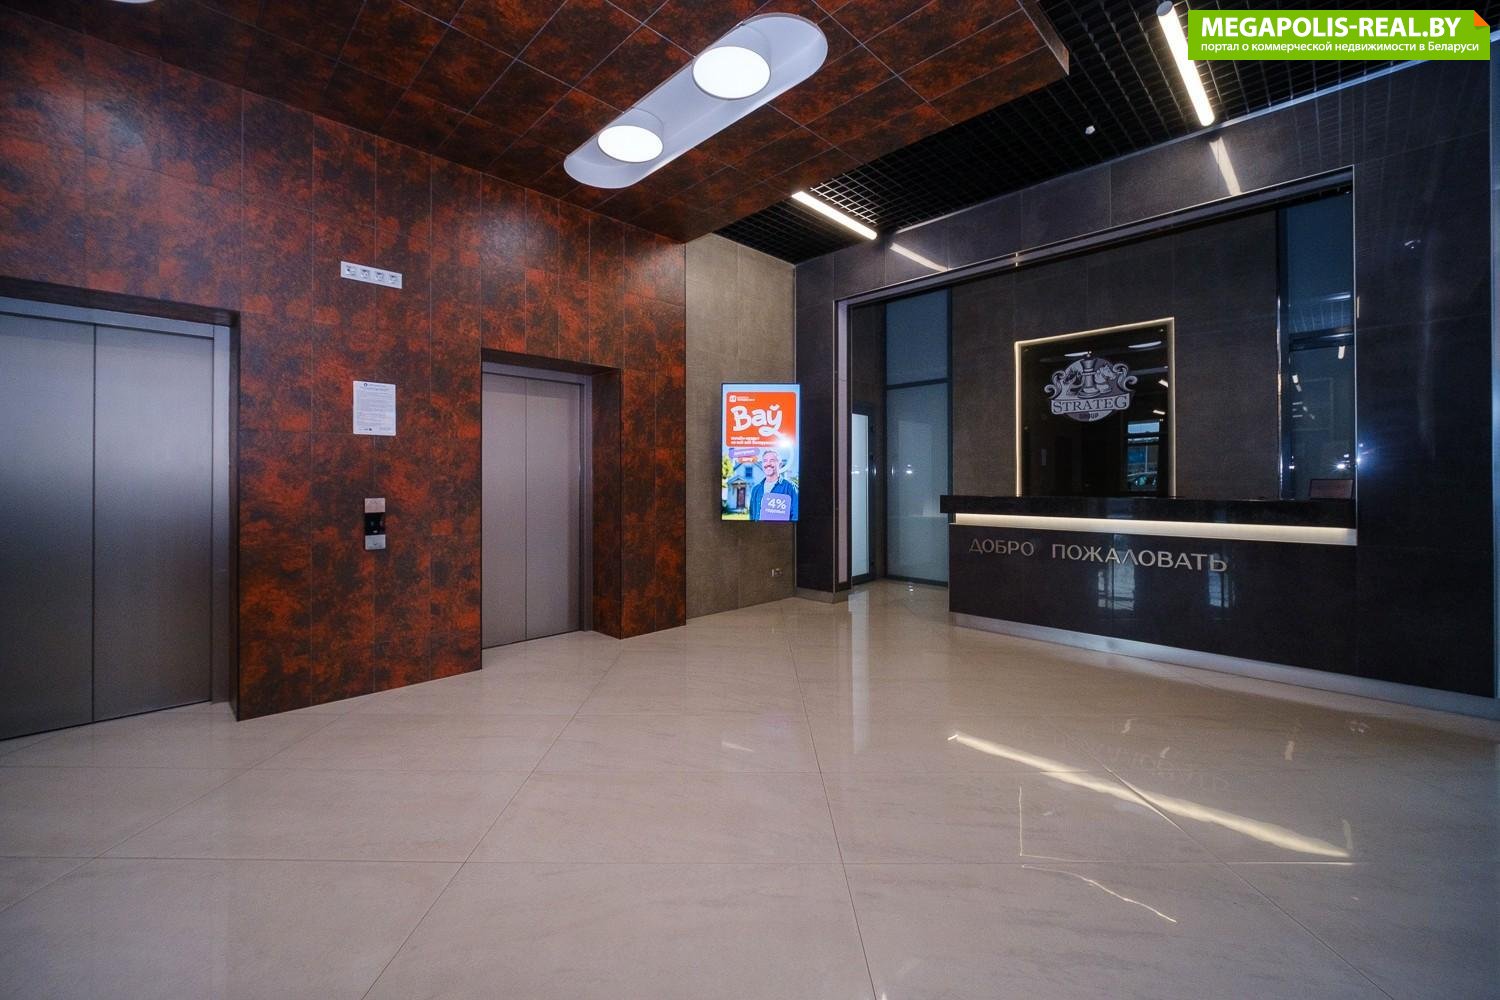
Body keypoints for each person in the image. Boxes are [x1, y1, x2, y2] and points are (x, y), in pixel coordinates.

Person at [748, 449, 798, 522]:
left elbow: (796, 516)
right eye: (765, 461)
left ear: (780, 464)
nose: (768, 463)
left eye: (772, 460)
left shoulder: (790, 487)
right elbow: (752, 516)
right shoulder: (756, 489)